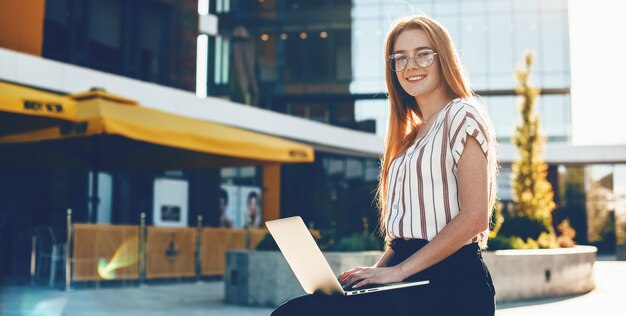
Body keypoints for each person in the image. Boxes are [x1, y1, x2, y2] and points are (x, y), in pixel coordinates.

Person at [272, 15, 498, 316]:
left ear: (443, 58)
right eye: (400, 58)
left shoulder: (462, 114)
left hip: (452, 284)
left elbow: (474, 217)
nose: (411, 66)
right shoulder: (409, 139)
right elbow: (405, 240)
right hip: (409, 277)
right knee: (300, 309)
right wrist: (371, 276)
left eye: (423, 54)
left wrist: (398, 272)